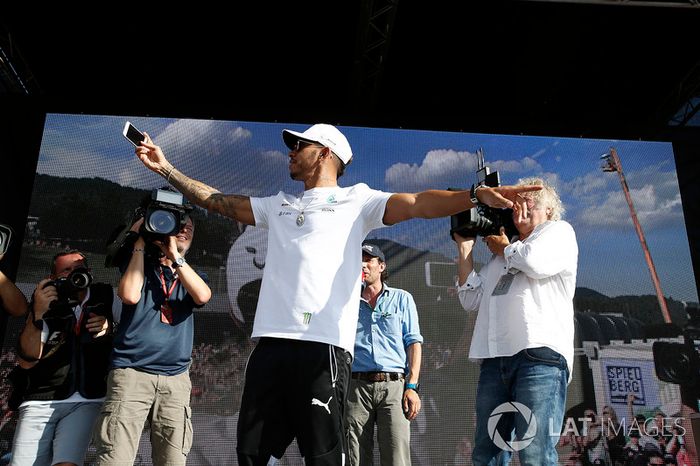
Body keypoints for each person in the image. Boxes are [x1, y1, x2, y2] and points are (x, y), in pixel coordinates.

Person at [132, 122, 540, 466]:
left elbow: (416, 202)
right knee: (253, 454)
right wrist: (165, 168)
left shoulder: (356, 201)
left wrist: (472, 195)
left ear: (326, 153)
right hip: (270, 348)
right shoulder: (278, 206)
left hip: (323, 349)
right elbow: (217, 202)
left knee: (324, 455)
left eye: (300, 144)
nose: (291, 151)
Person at [454, 177, 578, 465]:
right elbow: (470, 299)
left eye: (531, 200)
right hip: (495, 359)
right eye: (517, 201)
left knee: (535, 451)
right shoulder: (502, 256)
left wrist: (504, 249)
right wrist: (465, 248)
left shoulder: (558, 232)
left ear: (549, 209)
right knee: (488, 451)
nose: (522, 205)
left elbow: (535, 262)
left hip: (539, 357)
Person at [92, 214, 211, 466]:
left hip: (175, 379)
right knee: (115, 458)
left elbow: (202, 296)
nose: (184, 231)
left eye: (189, 228)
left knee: (173, 461)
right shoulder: (139, 264)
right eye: (178, 226)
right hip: (131, 374)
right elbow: (130, 295)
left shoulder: (191, 274)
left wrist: (175, 256)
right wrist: (139, 243)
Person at [9, 250, 113, 466]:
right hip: (40, 400)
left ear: (89, 272)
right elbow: (27, 360)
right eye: (66, 270)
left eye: (79, 269)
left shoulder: (106, 296)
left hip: (86, 399)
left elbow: (131, 334)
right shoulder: (45, 301)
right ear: (53, 279)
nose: (74, 275)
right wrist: (37, 314)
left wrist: (109, 327)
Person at [346, 242, 423, 466]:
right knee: (356, 458)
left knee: (397, 457)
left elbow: (414, 343)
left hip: (394, 387)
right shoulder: (346, 302)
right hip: (356, 387)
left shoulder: (402, 298)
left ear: (381, 266)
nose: (363, 265)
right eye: (359, 260)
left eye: (368, 260)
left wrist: (412, 386)